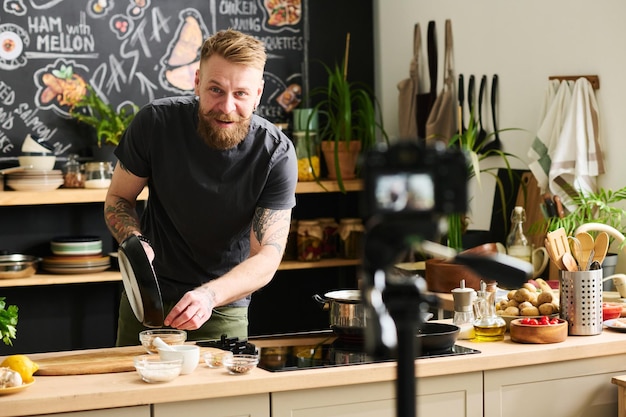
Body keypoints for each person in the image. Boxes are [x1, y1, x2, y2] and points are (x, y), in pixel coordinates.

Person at [104, 29, 298, 346]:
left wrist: (209, 295)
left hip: (222, 303)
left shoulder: (275, 153)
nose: (226, 106)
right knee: (131, 393)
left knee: (217, 396)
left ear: (259, 93)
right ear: (197, 81)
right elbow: (119, 198)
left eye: (241, 94)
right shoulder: (155, 123)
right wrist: (132, 239)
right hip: (146, 296)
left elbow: (267, 256)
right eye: (215, 90)